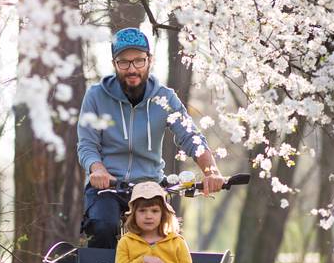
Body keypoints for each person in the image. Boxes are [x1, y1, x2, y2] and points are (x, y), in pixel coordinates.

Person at [77, 27, 225, 248]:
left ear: (150, 60)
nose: (132, 69)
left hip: (150, 187)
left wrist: (211, 170)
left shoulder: (165, 98)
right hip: (108, 186)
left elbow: (190, 137)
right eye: (124, 62)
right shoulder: (96, 96)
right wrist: (97, 169)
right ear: (114, 64)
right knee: (103, 227)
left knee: (162, 240)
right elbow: (87, 144)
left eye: (139, 61)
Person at [115, 181, 193, 263]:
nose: (148, 216)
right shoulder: (125, 242)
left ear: (163, 215)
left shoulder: (177, 242)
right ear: (134, 215)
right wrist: (142, 261)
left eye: (155, 211)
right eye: (142, 211)